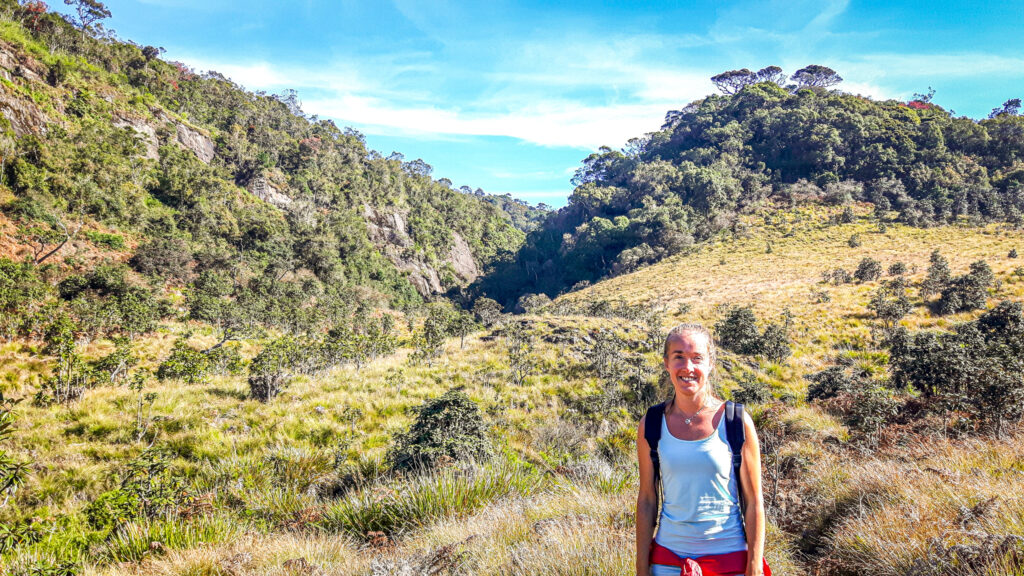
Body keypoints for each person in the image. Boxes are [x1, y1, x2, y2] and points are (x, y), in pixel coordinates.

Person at [636, 323, 767, 576]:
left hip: (729, 561)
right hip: (667, 561)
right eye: (679, 357)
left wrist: (754, 566)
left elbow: (754, 501)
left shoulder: (736, 421)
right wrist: (641, 568)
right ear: (666, 364)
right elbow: (646, 500)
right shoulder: (651, 424)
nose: (688, 368)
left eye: (697, 358)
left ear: (710, 364)